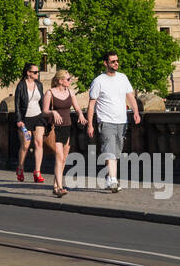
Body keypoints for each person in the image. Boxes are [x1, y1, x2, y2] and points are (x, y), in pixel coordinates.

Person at [85, 51, 141, 193]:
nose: (116, 63)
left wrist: (135, 112)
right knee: (109, 150)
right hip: (106, 120)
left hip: (121, 120)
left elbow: (130, 96)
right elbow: (92, 104)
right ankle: (114, 180)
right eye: (112, 61)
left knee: (116, 152)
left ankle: (110, 178)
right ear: (105, 63)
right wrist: (90, 123)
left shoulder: (123, 78)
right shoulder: (98, 81)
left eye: (117, 61)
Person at [44, 70, 87, 197]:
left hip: (67, 127)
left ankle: (55, 186)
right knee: (59, 157)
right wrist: (53, 112)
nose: (70, 81)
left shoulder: (70, 92)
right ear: (60, 80)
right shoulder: (50, 93)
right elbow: (44, 111)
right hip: (55, 128)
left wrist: (80, 114)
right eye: (68, 79)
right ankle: (60, 187)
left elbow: (77, 107)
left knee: (63, 160)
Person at [13, 63, 47, 184]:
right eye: (35, 72)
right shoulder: (21, 86)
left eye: (38, 72)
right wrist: (19, 120)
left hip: (38, 118)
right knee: (26, 145)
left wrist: (46, 114)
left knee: (39, 144)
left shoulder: (39, 84)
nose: (38, 74)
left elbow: (42, 101)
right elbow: (16, 104)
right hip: (25, 120)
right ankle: (20, 168)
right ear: (28, 73)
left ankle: (37, 172)